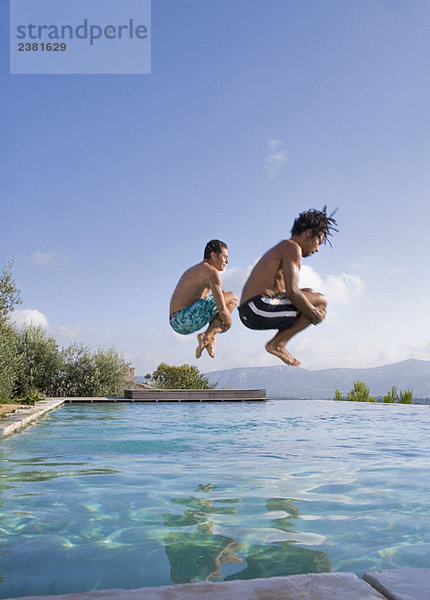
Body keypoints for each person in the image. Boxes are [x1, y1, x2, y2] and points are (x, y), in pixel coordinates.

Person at [238, 207, 338, 366]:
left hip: (250, 310)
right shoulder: (292, 247)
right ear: (308, 234)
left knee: (310, 293)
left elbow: (289, 292)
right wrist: (314, 314)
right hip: (257, 308)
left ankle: (278, 343)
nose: (317, 249)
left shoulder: (284, 247)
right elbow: (292, 292)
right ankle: (277, 344)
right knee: (320, 302)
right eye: (318, 242)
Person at [170, 240, 238, 358]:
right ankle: (208, 336)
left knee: (223, 294)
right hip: (184, 319)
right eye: (225, 257)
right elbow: (222, 310)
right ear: (213, 255)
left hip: (176, 320)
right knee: (232, 298)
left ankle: (208, 338)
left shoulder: (195, 270)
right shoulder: (212, 272)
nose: (227, 261)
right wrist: (228, 324)